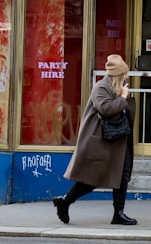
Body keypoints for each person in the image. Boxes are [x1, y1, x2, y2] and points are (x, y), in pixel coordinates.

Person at [53, 54, 137, 226]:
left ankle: (118, 213)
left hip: (119, 139)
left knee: (122, 175)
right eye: (125, 74)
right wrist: (123, 99)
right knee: (91, 179)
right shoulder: (101, 87)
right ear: (118, 74)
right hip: (101, 141)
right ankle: (65, 201)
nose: (127, 77)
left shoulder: (117, 87)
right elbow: (105, 109)